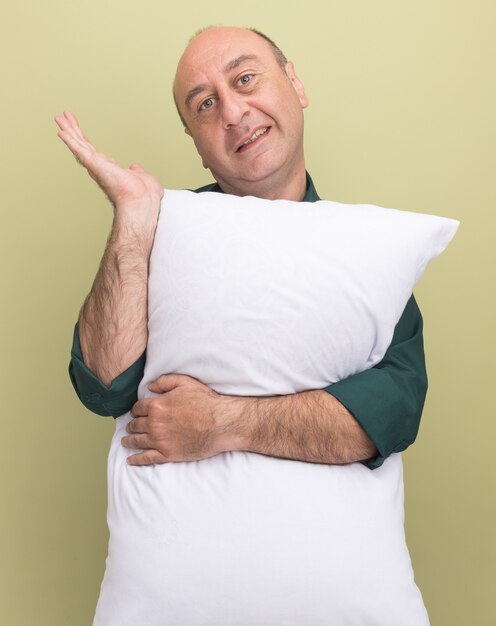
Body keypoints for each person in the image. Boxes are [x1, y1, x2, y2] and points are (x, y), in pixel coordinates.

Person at [55, 26, 427, 470]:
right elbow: (104, 387)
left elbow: (393, 411)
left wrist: (225, 423)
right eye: (205, 104)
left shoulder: (365, 245)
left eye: (245, 79)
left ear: (295, 83)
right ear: (197, 144)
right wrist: (133, 220)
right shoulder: (159, 231)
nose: (232, 111)